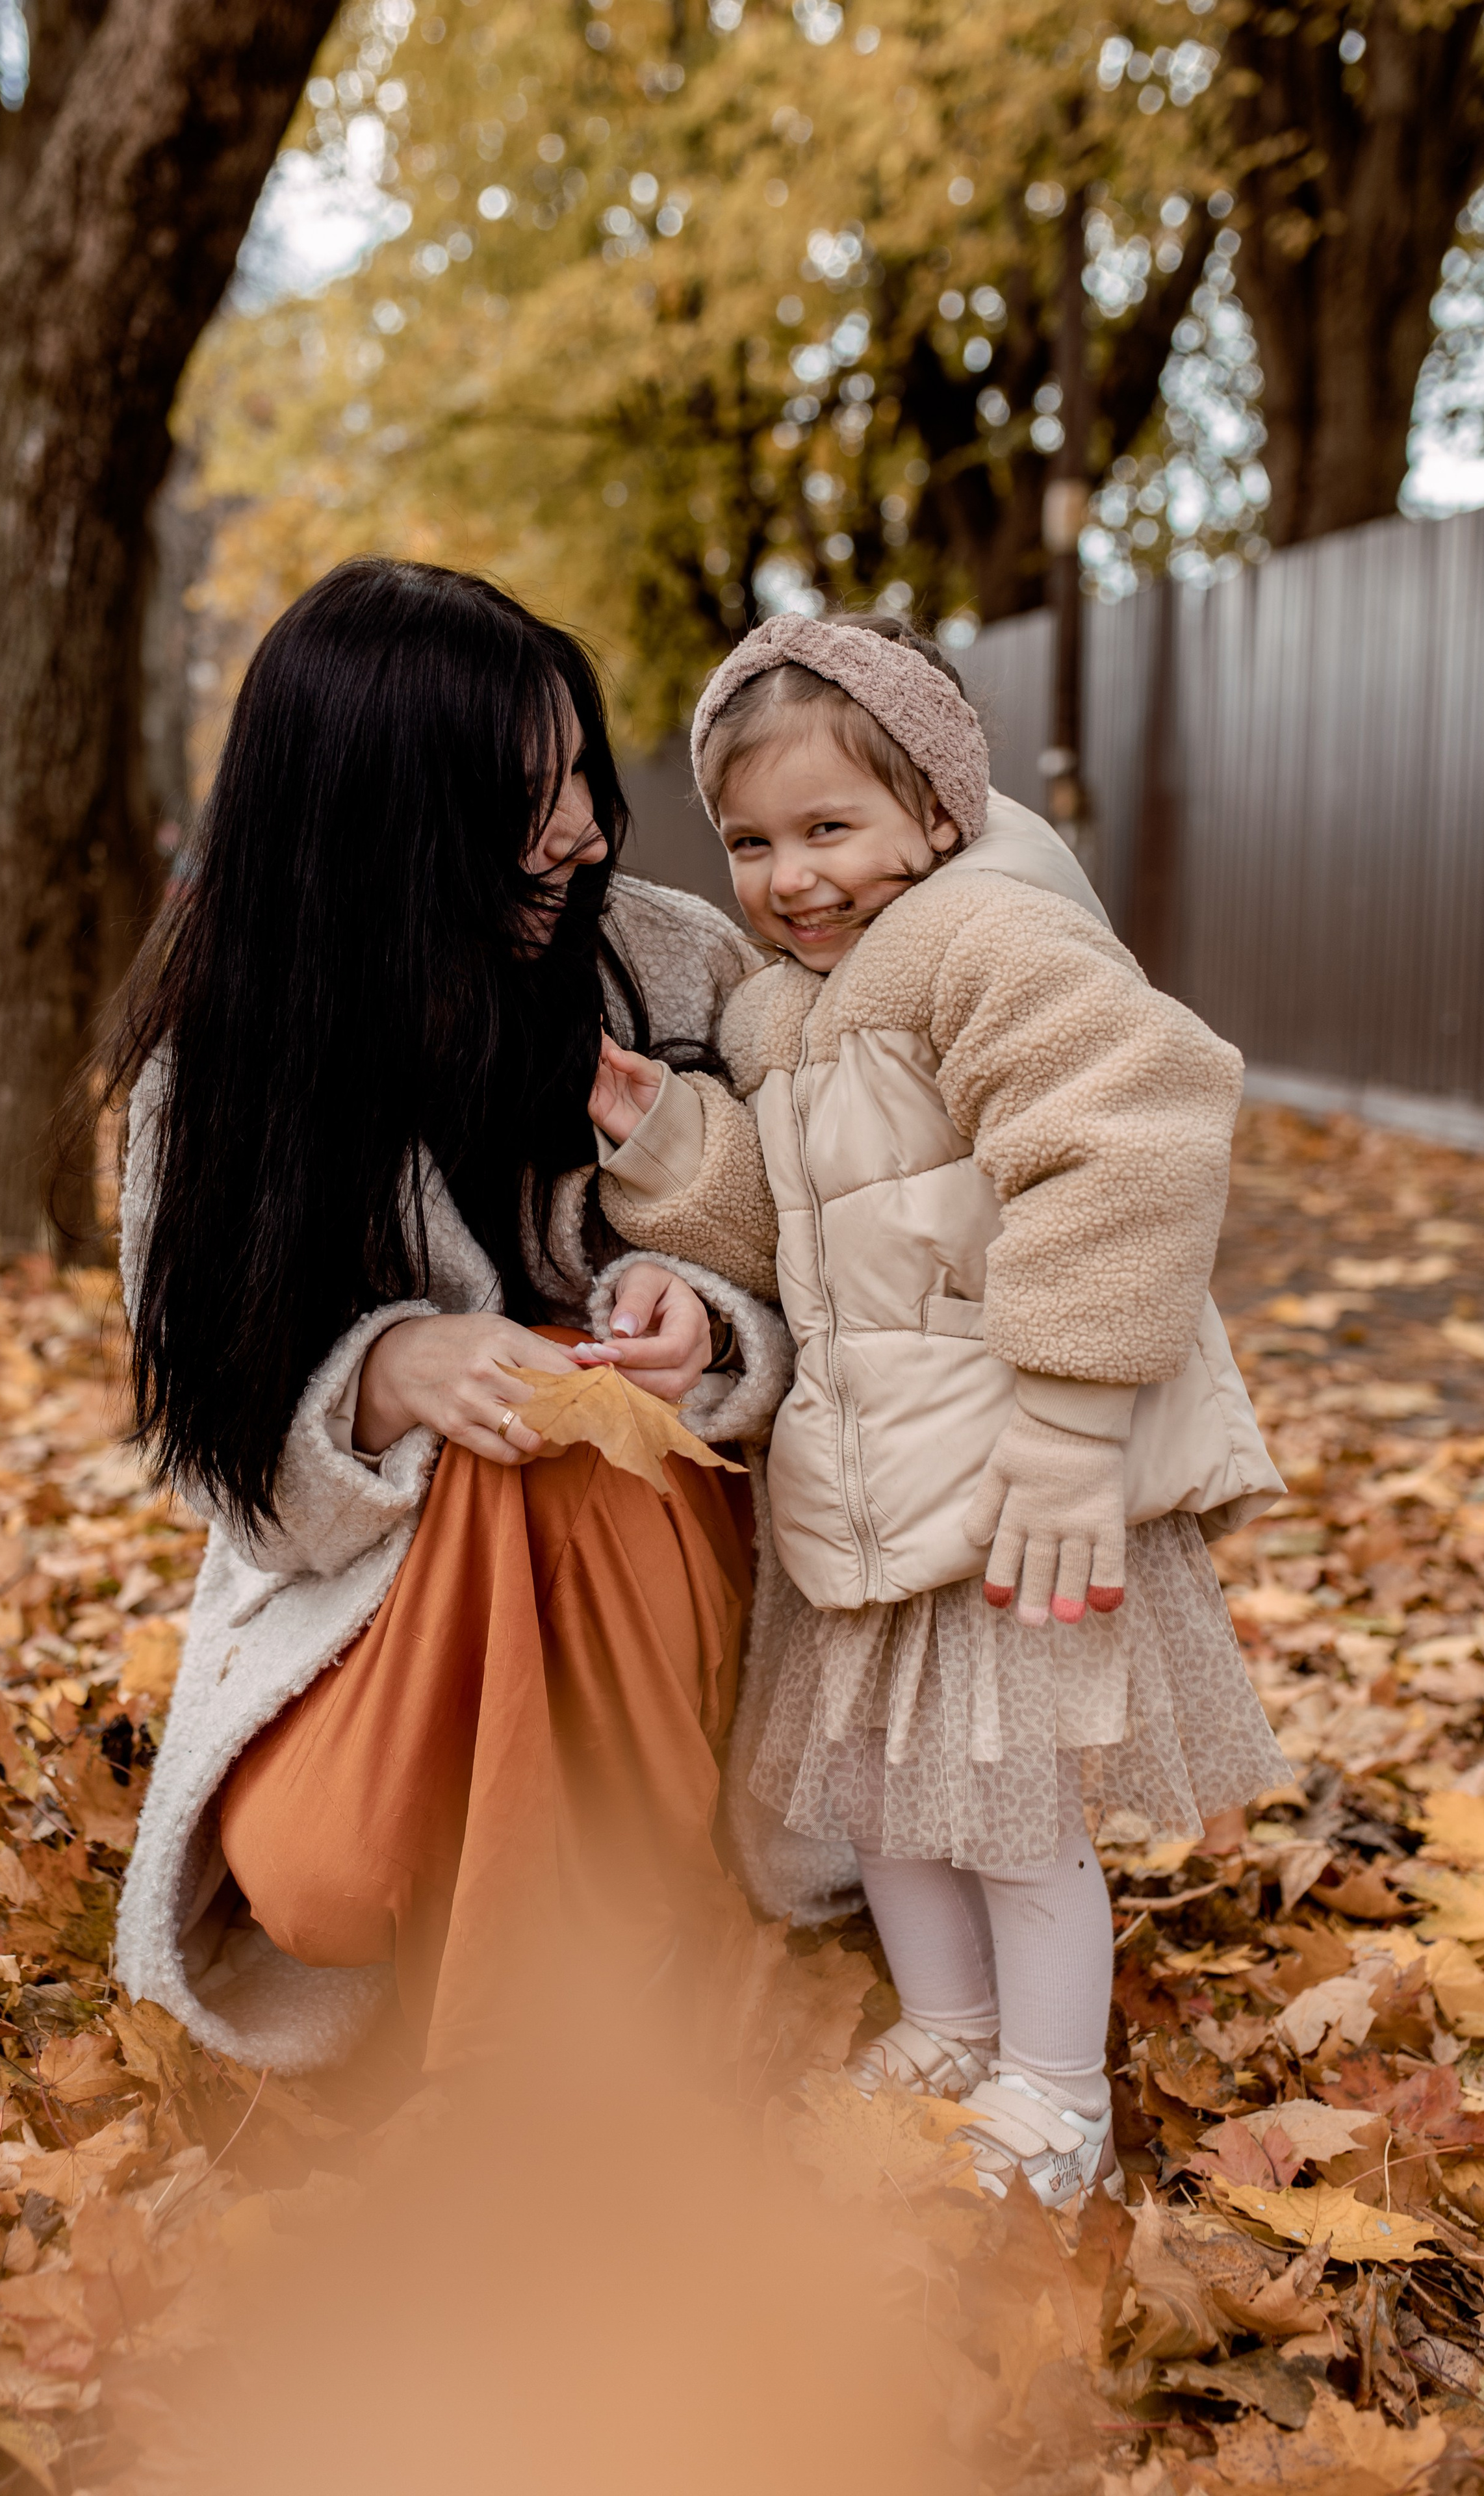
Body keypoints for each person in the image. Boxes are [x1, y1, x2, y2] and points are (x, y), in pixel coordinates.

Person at [587, 611, 1290, 2208]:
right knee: (888, 1797)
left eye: (831, 827)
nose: (790, 876)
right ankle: (951, 2025)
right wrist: (666, 1141)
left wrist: (1061, 1424)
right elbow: (789, 1232)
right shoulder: (780, 1016)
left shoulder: (988, 944)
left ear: (937, 810)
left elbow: (1128, 1133)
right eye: (753, 840)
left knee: (1016, 1814)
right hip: (874, 1484)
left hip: (1015, 1476)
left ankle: (1053, 2094)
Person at [102, 558, 815, 2079]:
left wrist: (697, 1311)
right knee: (328, 1881)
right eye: (527, 790)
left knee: (556, 1415)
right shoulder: (219, 1078)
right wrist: (386, 1373)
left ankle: (535, 2084)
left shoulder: (674, 957)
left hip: (666, 1546)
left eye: (579, 770)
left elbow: (839, 1247)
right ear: (385, 823)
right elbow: (224, 1469)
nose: (584, 826)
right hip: (375, 1589)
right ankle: (590, 1947)